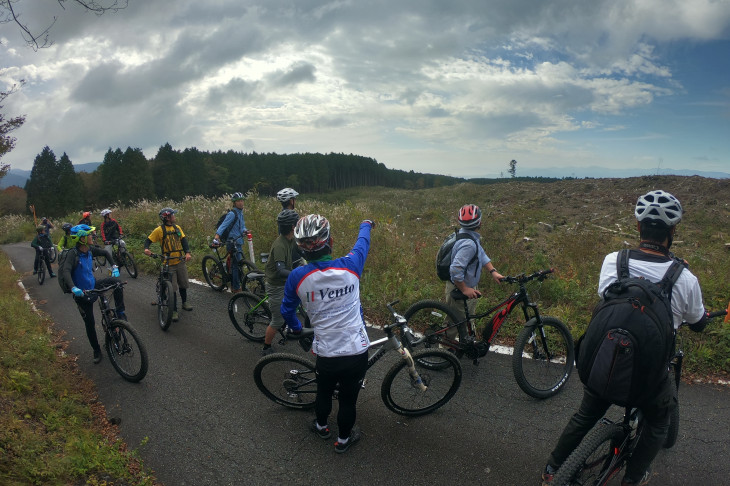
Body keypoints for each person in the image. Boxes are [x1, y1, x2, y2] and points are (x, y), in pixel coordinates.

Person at [542, 190, 707, 486]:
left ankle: (552, 469)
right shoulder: (685, 278)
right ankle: (634, 477)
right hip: (648, 378)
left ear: (638, 227)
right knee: (658, 421)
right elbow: (697, 322)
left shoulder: (613, 261)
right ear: (673, 232)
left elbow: (606, 299)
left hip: (604, 362)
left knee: (586, 414)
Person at [281, 215, 374, 454]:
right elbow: (362, 243)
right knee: (348, 400)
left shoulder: (297, 277)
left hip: (326, 352)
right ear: (330, 241)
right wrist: (365, 224)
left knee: (323, 391)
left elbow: (286, 310)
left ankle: (321, 426)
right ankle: (343, 441)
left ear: (300, 248)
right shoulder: (350, 266)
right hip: (356, 351)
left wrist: (298, 328)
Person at [59, 224, 124, 364]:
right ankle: (96, 350)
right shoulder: (73, 254)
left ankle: (120, 313)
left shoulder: (89, 250)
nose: (92, 237)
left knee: (117, 283)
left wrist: (114, 266)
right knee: (90, 323)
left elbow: (105, 253)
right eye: (89, 235)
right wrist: (73, 288)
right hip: (82, 293)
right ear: (82, 238)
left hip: (94, 285)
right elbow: (65, 271)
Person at [445, 204, 503, 341]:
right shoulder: (468, 244)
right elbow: (455, 269)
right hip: (459, 287)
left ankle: (467, 340)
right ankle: (446, 348)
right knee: (456, 320)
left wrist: (493, 271)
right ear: (480, 222)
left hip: (466, 286)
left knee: (467, 316)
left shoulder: (466, 236)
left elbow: (480, 254)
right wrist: (464, 289)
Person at [261, 209, 300, 356]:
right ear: (292, 226)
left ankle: (290, 325)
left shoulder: (290, 239)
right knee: (277, 320)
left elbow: (300, 250)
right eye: (297, 223)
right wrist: (297, 275)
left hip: (285, 281)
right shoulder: (279, 245)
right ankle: (266, 346)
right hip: (276, 284)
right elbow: (280, 270)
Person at [144, 208, 193, 322]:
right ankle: (174, 310)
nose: (174, 217)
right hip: (168, 263)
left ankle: (185, 302)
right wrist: (146, 249)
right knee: (173, 288)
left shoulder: (177, 228)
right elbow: (148, 240)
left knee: (184, 283)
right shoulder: (159, 230)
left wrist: (187, 252)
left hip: (180, 260)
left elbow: (184, 240)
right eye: (172, 215)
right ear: (167, 218)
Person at [212, 192, 248, 294]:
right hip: (232, 242)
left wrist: (245, 231)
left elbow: (242, 227)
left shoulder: (241, 213)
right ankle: (235, 287)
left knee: (236, 263)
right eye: (238, 201)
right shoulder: (232, 214)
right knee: (236, 265)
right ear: (234, 203)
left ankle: (234, 279)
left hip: (239, 241)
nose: (241, 203)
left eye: (242, 201)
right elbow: (223, 226)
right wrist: (216, 238)